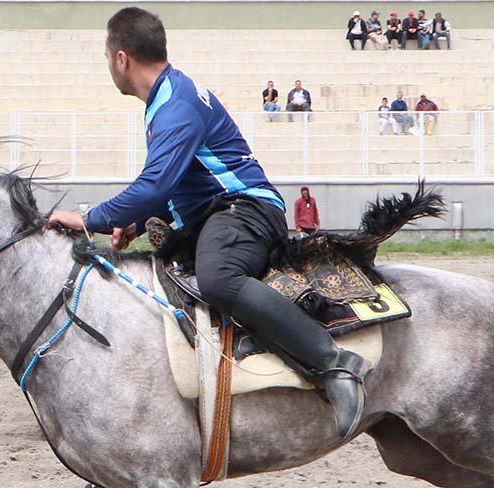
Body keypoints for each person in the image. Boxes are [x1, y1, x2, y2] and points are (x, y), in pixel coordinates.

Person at [46, 7, 370, 440]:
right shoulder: (170, 96)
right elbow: (176, 185)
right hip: (215, 214)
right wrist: (139, 224)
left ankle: (335, 364)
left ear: (122, 59)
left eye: (108, 58)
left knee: (218, 279)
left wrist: (90, 219)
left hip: (246, 210)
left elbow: (155, 184)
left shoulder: (175, 105)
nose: (109, 67)